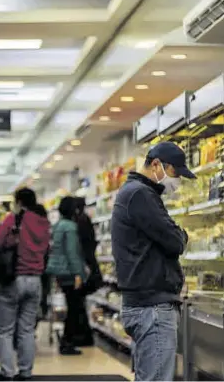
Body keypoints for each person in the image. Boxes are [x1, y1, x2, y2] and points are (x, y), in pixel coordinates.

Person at [112, 142, 194, 381]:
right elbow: (175, 241)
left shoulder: (136, 193)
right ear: (157, 165)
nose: (176, 181)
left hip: (144, 304)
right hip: (152, 309)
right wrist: (181, 235)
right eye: (175, 173)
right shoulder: (140, 194)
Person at [0, 188, 50, 381]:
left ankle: (7, 372)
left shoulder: (15, 219)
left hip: (13, 279)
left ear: (18, 202)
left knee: (5, 330)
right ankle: (26, 372)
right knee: (26, 330)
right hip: (35, 280)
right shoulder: (44, 222)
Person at [46, 196, 86, 356]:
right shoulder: (69, 227)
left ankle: (66, 340)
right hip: (69, 272)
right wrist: (78, 273)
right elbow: (72, 252)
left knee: (71, 306)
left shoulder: (57, 225)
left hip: (58, 270)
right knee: (74, 307)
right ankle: (67, 342)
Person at [72, 196, 101, 346]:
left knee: (78, 303)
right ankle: (83, 334)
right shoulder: (85, 220)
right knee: (79, 302)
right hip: (90, 264)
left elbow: (81, 247)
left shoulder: (79, 221)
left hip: (85, 267)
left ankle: (83, 336)